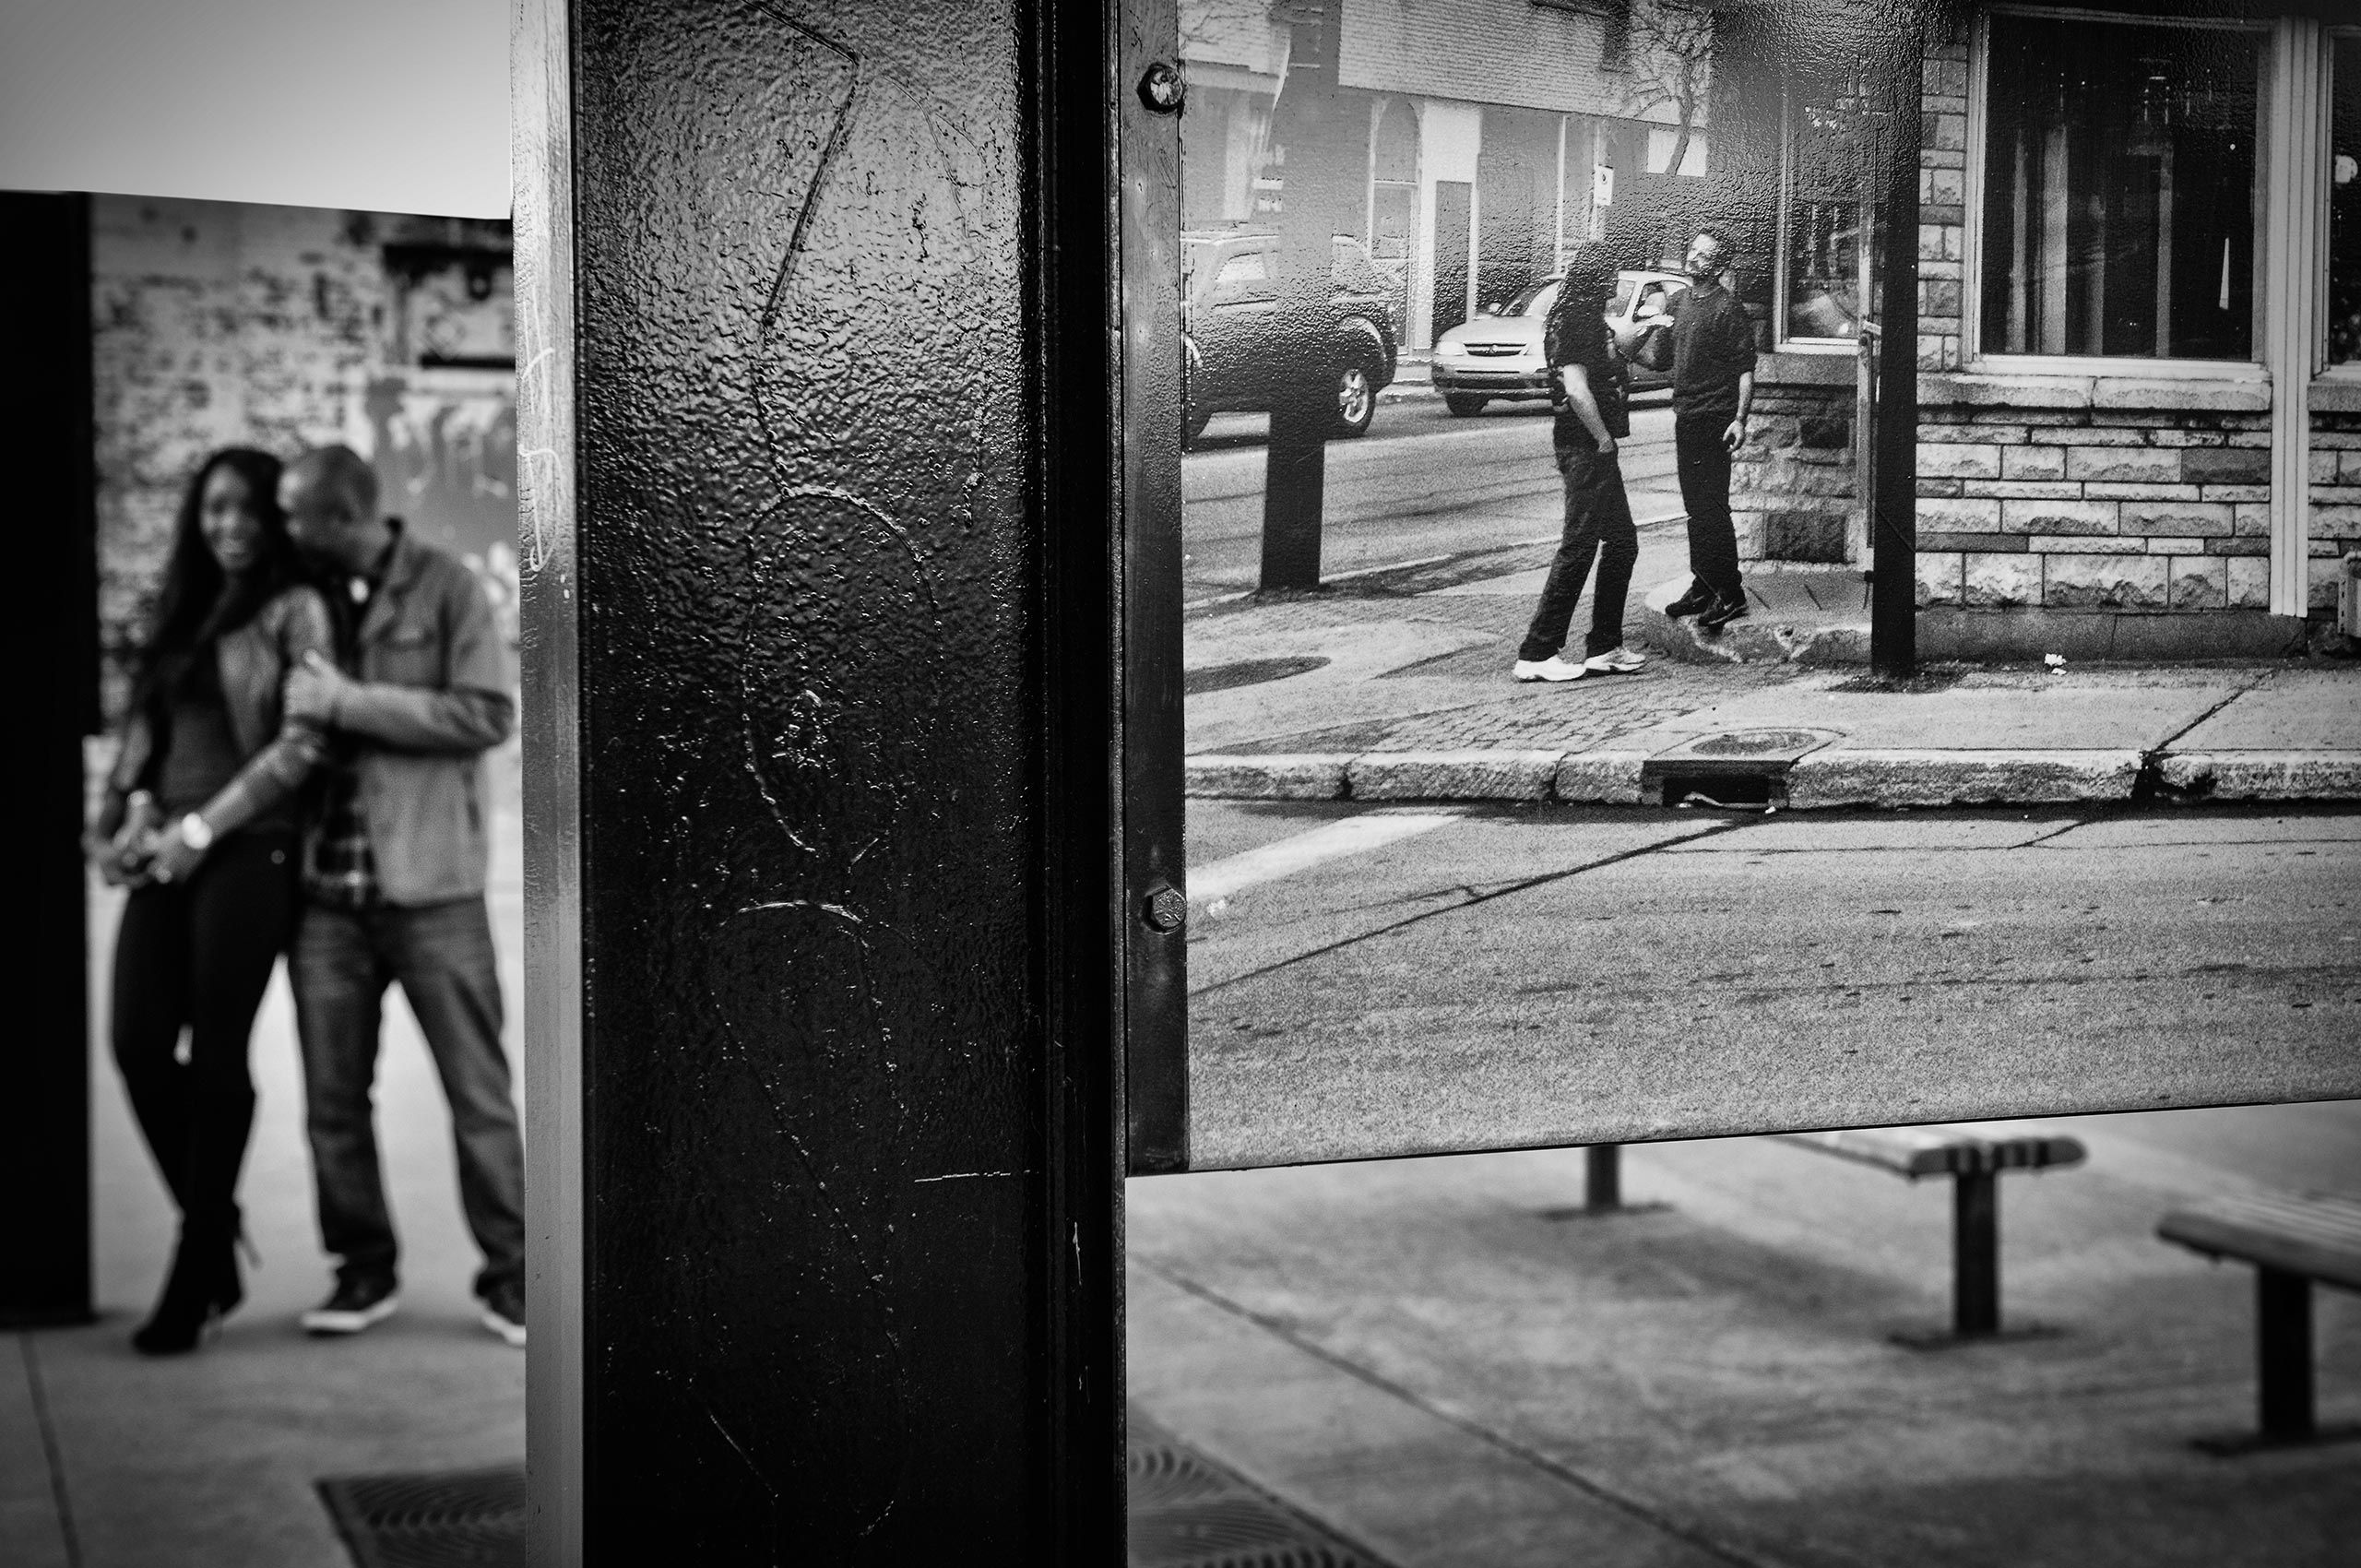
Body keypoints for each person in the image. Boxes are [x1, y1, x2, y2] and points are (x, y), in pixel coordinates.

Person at [275, 445, 528, 1347]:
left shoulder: (447, 585)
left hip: (434, 893)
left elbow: (487, 712)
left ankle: (515, 1279)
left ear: (339, 514)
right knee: (333, 1101)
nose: (282, 528)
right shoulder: (295, 599)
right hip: (326, 899)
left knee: (478, 1093)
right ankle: (362, 1270)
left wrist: (350, 703)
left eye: (293, 513)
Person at [87, 448, 335, 1354]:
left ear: (275, 521)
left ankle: (195, 1269)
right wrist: (122, 822)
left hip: (249, 846)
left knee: (218, 1049)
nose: (230, 526)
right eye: (215, 510)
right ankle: (217, 1228)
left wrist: (204, 830)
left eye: (249, 512)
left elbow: (302, 743)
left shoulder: (293, 608)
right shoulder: (181, 608)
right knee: (136, 1042)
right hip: (167, 846)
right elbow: (142, 738)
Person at [1513, 245, 1646, 683]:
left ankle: (1604, 646)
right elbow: (1575, 388)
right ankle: (1537, 651)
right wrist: (1603, 438)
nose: (1615, 284)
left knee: (1622, 542)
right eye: (1609, 276)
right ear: (1595, 278)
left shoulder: (1579, 315)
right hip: (1585, 447)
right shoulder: (1576, 319)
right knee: (1579, 546)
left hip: (1592, 448)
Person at [1651, 229, 1757, 631]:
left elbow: (1745, 370)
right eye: (1691, 248)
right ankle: (1704, 584)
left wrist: (1740, 419)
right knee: (1695, 509)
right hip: (1687, 417)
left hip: (1715, 419)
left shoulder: (1728, 310)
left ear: (1718, 264)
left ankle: (1731, 593)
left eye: (1703, 253)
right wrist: (1627, 342)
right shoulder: (1678, 302)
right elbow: (1659, 358)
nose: (1693, 257)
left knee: (1712, 507)